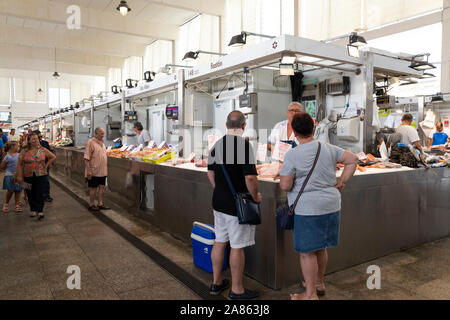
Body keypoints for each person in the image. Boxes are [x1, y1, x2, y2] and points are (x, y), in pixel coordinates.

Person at [279, 112, 358, 300]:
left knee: (307, 253)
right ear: (313, 129)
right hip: (331, 205)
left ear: (295, 133)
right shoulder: (329, 148)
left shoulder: (293, 154)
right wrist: (342, 182)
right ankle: (319, 284)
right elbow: (353, 160)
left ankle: (310, 295)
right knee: (321, 247)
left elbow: (285, 185)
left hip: (308, 209)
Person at [207, 111, 261, 300]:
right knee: (237, 246)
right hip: (236, 206)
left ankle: (217, 282)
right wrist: (255, 196)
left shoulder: (216, 145)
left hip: (218, 203)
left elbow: (210, 174)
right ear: (244, 126)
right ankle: (237, 290)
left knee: (220, 240)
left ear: (226, 124)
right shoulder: (244, 146)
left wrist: (220, 190)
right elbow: (251, 177)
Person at [16, 132, 56, 220]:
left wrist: (46, 165)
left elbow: (53, 156)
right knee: (30, 192)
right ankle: (33, 209)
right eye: (33, 139)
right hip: (27, 175)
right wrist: (19, 175)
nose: (36, 140)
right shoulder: (24, 151)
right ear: (29, 141)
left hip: (41, 174)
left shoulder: (43, 149)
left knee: (40, 192)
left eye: (37, 138)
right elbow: (19, 164)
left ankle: (40, 210)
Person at [84, 127, 110, 212]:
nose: (103, 135)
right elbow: (86, 158)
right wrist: (89, 170)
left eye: (103, 133)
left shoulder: (102, 142)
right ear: (96, 134)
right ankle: (91, 204)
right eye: (101, 133)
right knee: (93, 188)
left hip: (103, 170)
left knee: (102, 187)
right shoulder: (90, 142)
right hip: (94, 170)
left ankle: (100, 203)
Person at [1, 141, 24, 213]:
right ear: (12, 147)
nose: (19, 148)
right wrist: (7, 170)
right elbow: (2, 166)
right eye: (18, 146)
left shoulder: (19, 155)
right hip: (9, 175)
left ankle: (17, 205)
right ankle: (6, 204)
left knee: (18, 190)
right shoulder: (7, 156)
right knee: (10, 190)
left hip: (18, 175)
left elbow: (22, 164)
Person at [33, 130, 53, 202]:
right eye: (38, 137)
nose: (40, 138)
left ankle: (46, 195)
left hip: (44, 165)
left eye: (41, 136)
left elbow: (50, 154)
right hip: (34, 166)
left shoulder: (45, 143)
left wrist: (49, 164)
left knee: (46, 180)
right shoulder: (31, 144)